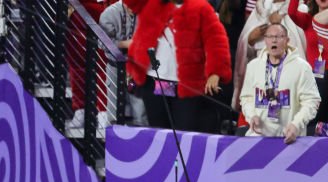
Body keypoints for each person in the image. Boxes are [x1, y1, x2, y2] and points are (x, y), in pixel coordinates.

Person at [123, 0, 232, 134]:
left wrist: (215, 72)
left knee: (184, 131)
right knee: (159, 130)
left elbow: (216, 40)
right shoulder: (151, 4)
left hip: (187, 84)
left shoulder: (202, 8)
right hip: (156, 79)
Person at [240, 22, 321, 143]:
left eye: (279, 37)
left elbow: (312, 101)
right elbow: (246, 98)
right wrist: (252, 116)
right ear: (264, 40)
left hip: (289, 140)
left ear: (287, 40)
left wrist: (296, 125)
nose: (274, 40)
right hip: (257, 138)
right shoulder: (253, 66)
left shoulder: (302, 68)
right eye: (269, 37)